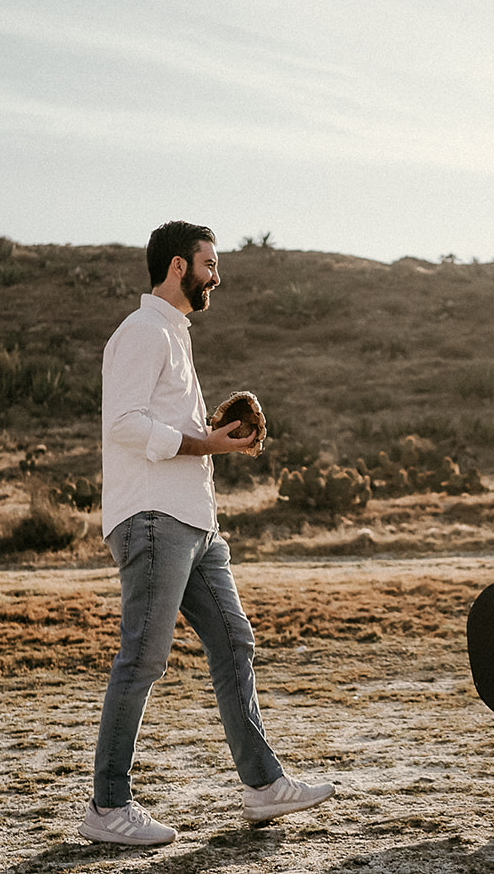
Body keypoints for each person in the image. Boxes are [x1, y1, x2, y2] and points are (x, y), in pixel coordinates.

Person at [80, 220, 335, 847]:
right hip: (152, 519)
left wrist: (214, 436)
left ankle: (263, 786)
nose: (216, 275)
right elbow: (124, 424)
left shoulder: (173, 336)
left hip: (195, 521)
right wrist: (204, 442)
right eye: (209, 264)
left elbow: (165, 425)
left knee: (233, 643)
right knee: (143, 657)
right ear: (177, 267)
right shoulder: (140, 332)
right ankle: (107, 807)